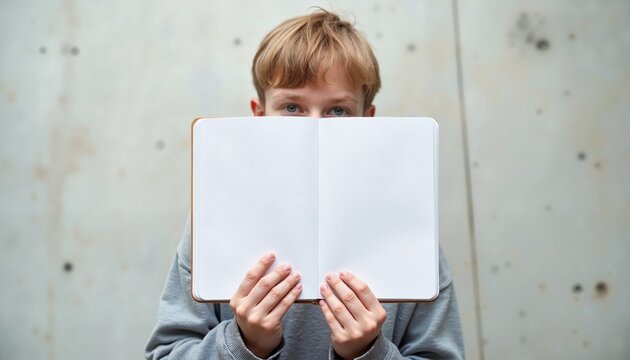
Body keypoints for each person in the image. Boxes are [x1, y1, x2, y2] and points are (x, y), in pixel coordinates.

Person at [145, 9, 464, 359]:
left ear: (367, 121)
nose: (314, 128)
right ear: (259, 116)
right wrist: (245, 343)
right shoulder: (213, 225)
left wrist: (367, 352)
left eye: (337, 111)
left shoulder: (410, 233)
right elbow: (166, 353)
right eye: (292, 107)